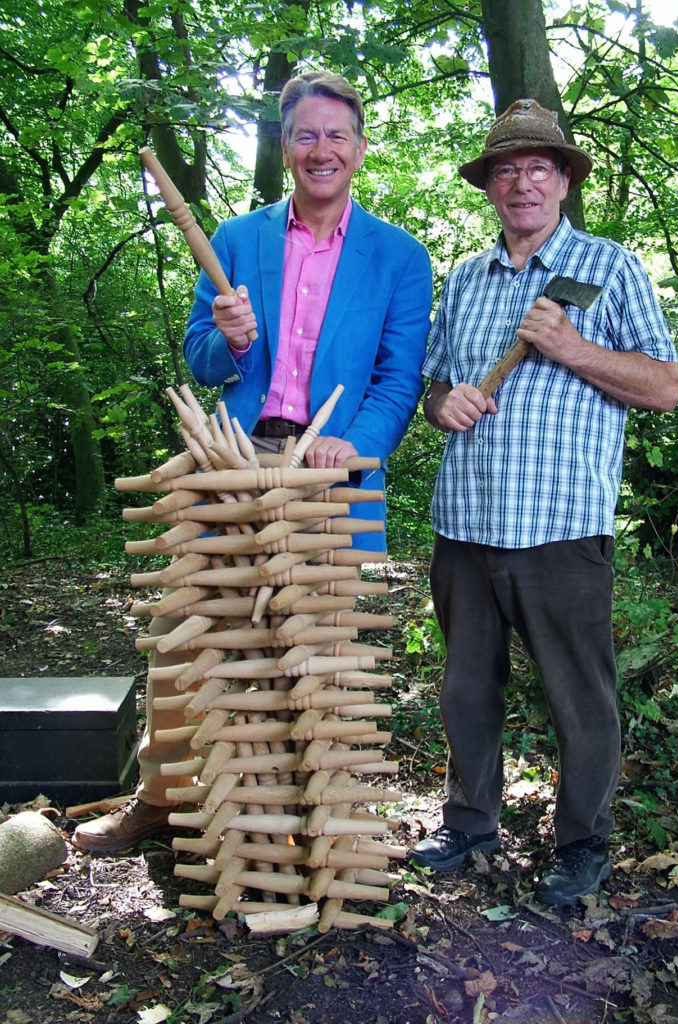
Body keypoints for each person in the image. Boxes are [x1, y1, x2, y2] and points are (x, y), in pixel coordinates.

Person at [73, 71, 433, 853]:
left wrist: (359, 444)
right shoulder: (237, 241)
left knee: (321, 653)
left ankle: (320, 823)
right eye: (306, 134)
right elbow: (199, 359)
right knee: (181, 640)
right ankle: (162, 799)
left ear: (362, 149)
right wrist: (232, 336)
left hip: (329, 469)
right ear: (284, 145)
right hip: (228, 456)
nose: (322, 149)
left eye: (338, 134)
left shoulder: (401, 258)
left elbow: (399, 376)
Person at [409, 98, 678, 906]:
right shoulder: (465, 277)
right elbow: (430, 383)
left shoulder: (610, 266)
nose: (521, 182)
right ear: (490, 186)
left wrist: (573, 347)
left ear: (562, 180)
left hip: (563, 529)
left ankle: (583, 844)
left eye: (537, 167)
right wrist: (442, 403)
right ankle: (468, 822)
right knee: (465, 690)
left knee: (580, 699)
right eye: (506, 169)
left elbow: (664, 386)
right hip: (466, 524)